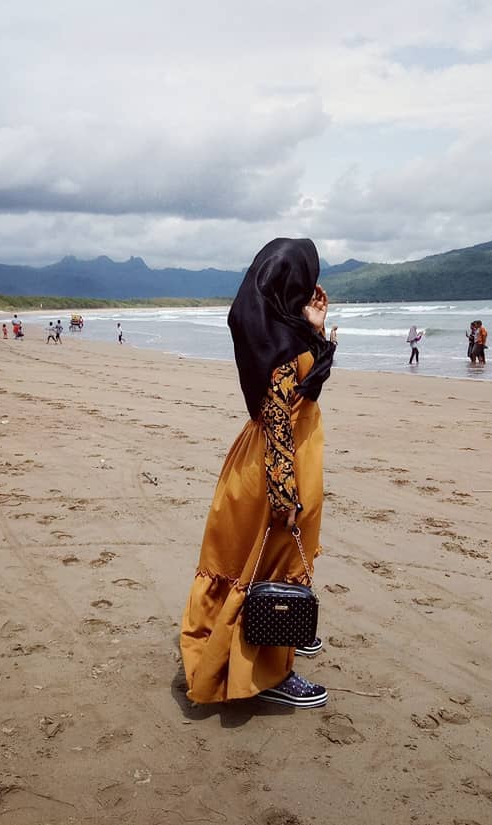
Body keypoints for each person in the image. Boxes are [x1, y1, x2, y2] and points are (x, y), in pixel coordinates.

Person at [180, 238, 335, 709]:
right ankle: (269, 672)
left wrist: (316, 330)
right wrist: (285, 499)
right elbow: (281, 424)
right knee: (273, 562)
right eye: (305, 276)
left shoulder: (270, 330)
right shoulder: (281, 349)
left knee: (250, 559)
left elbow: (303, 391)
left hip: (257, 457)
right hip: (277, 463)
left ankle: (273, 639)